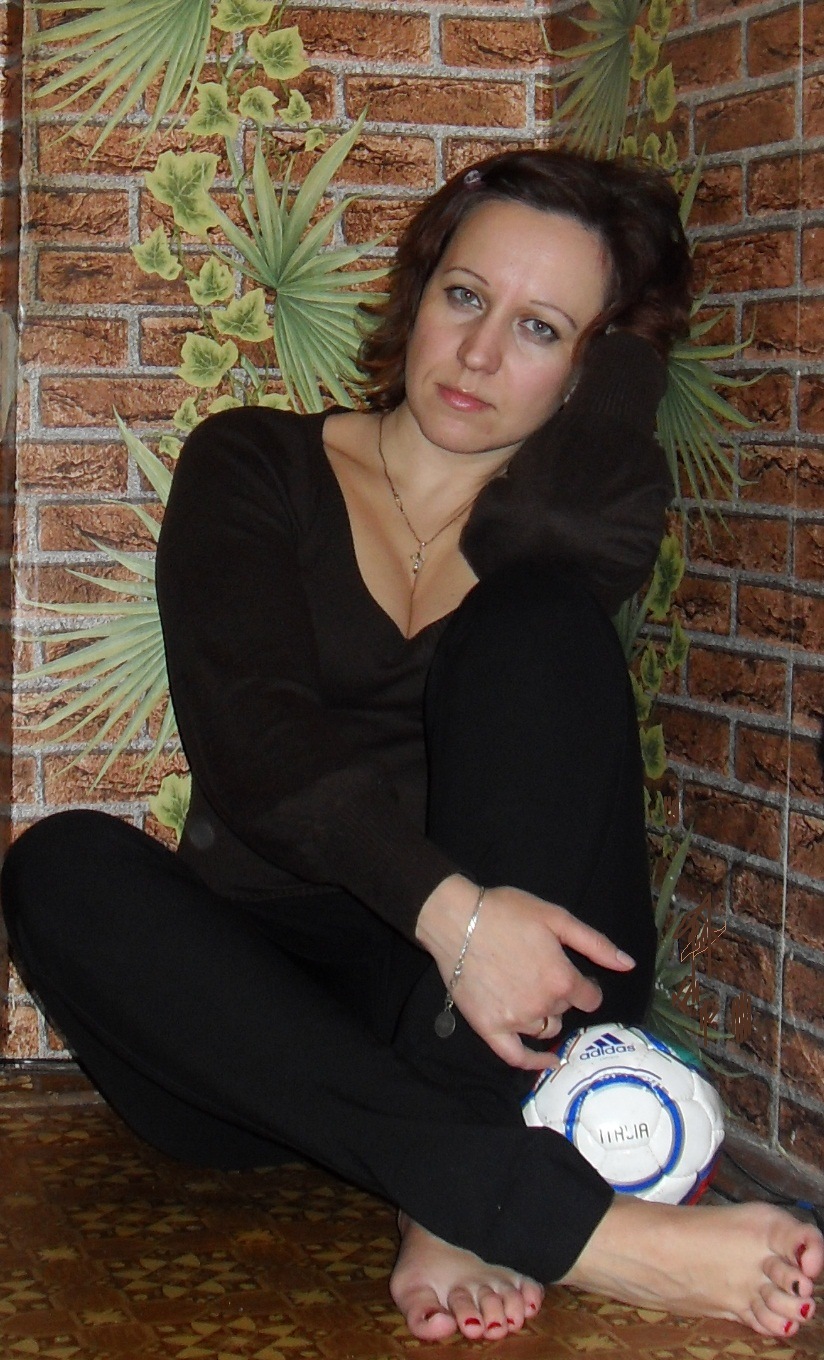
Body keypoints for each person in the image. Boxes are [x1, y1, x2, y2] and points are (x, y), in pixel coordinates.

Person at [2, 148, 821, 1345]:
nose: (478, 354)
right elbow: (254, 743)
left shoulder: (551, 536)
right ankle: (544, 1215)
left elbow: (569, 539)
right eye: (463, 295)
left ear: (592, 364)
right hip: (253, 1028)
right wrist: (455, 918)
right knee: (59, 867)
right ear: (417, 292)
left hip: (504, 1019)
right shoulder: (254, 462)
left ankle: (454, 1178)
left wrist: (625, 357)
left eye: (540, 329)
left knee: (537, 625)